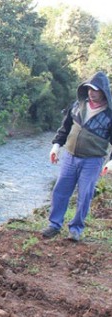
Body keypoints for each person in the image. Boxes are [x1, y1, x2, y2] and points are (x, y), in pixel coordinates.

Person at [42, 71, 112, 241]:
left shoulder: (110, 114)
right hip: (70, 157)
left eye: (95, 90)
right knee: (60, 190)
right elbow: (65, 128)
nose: (91, 92)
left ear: (103, 91)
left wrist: (110, 162)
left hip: (93, 161)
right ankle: (54, 224)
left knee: (85, 194)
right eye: (89, 89)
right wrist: (56, 146)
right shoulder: (77, 105)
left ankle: (76, 229)